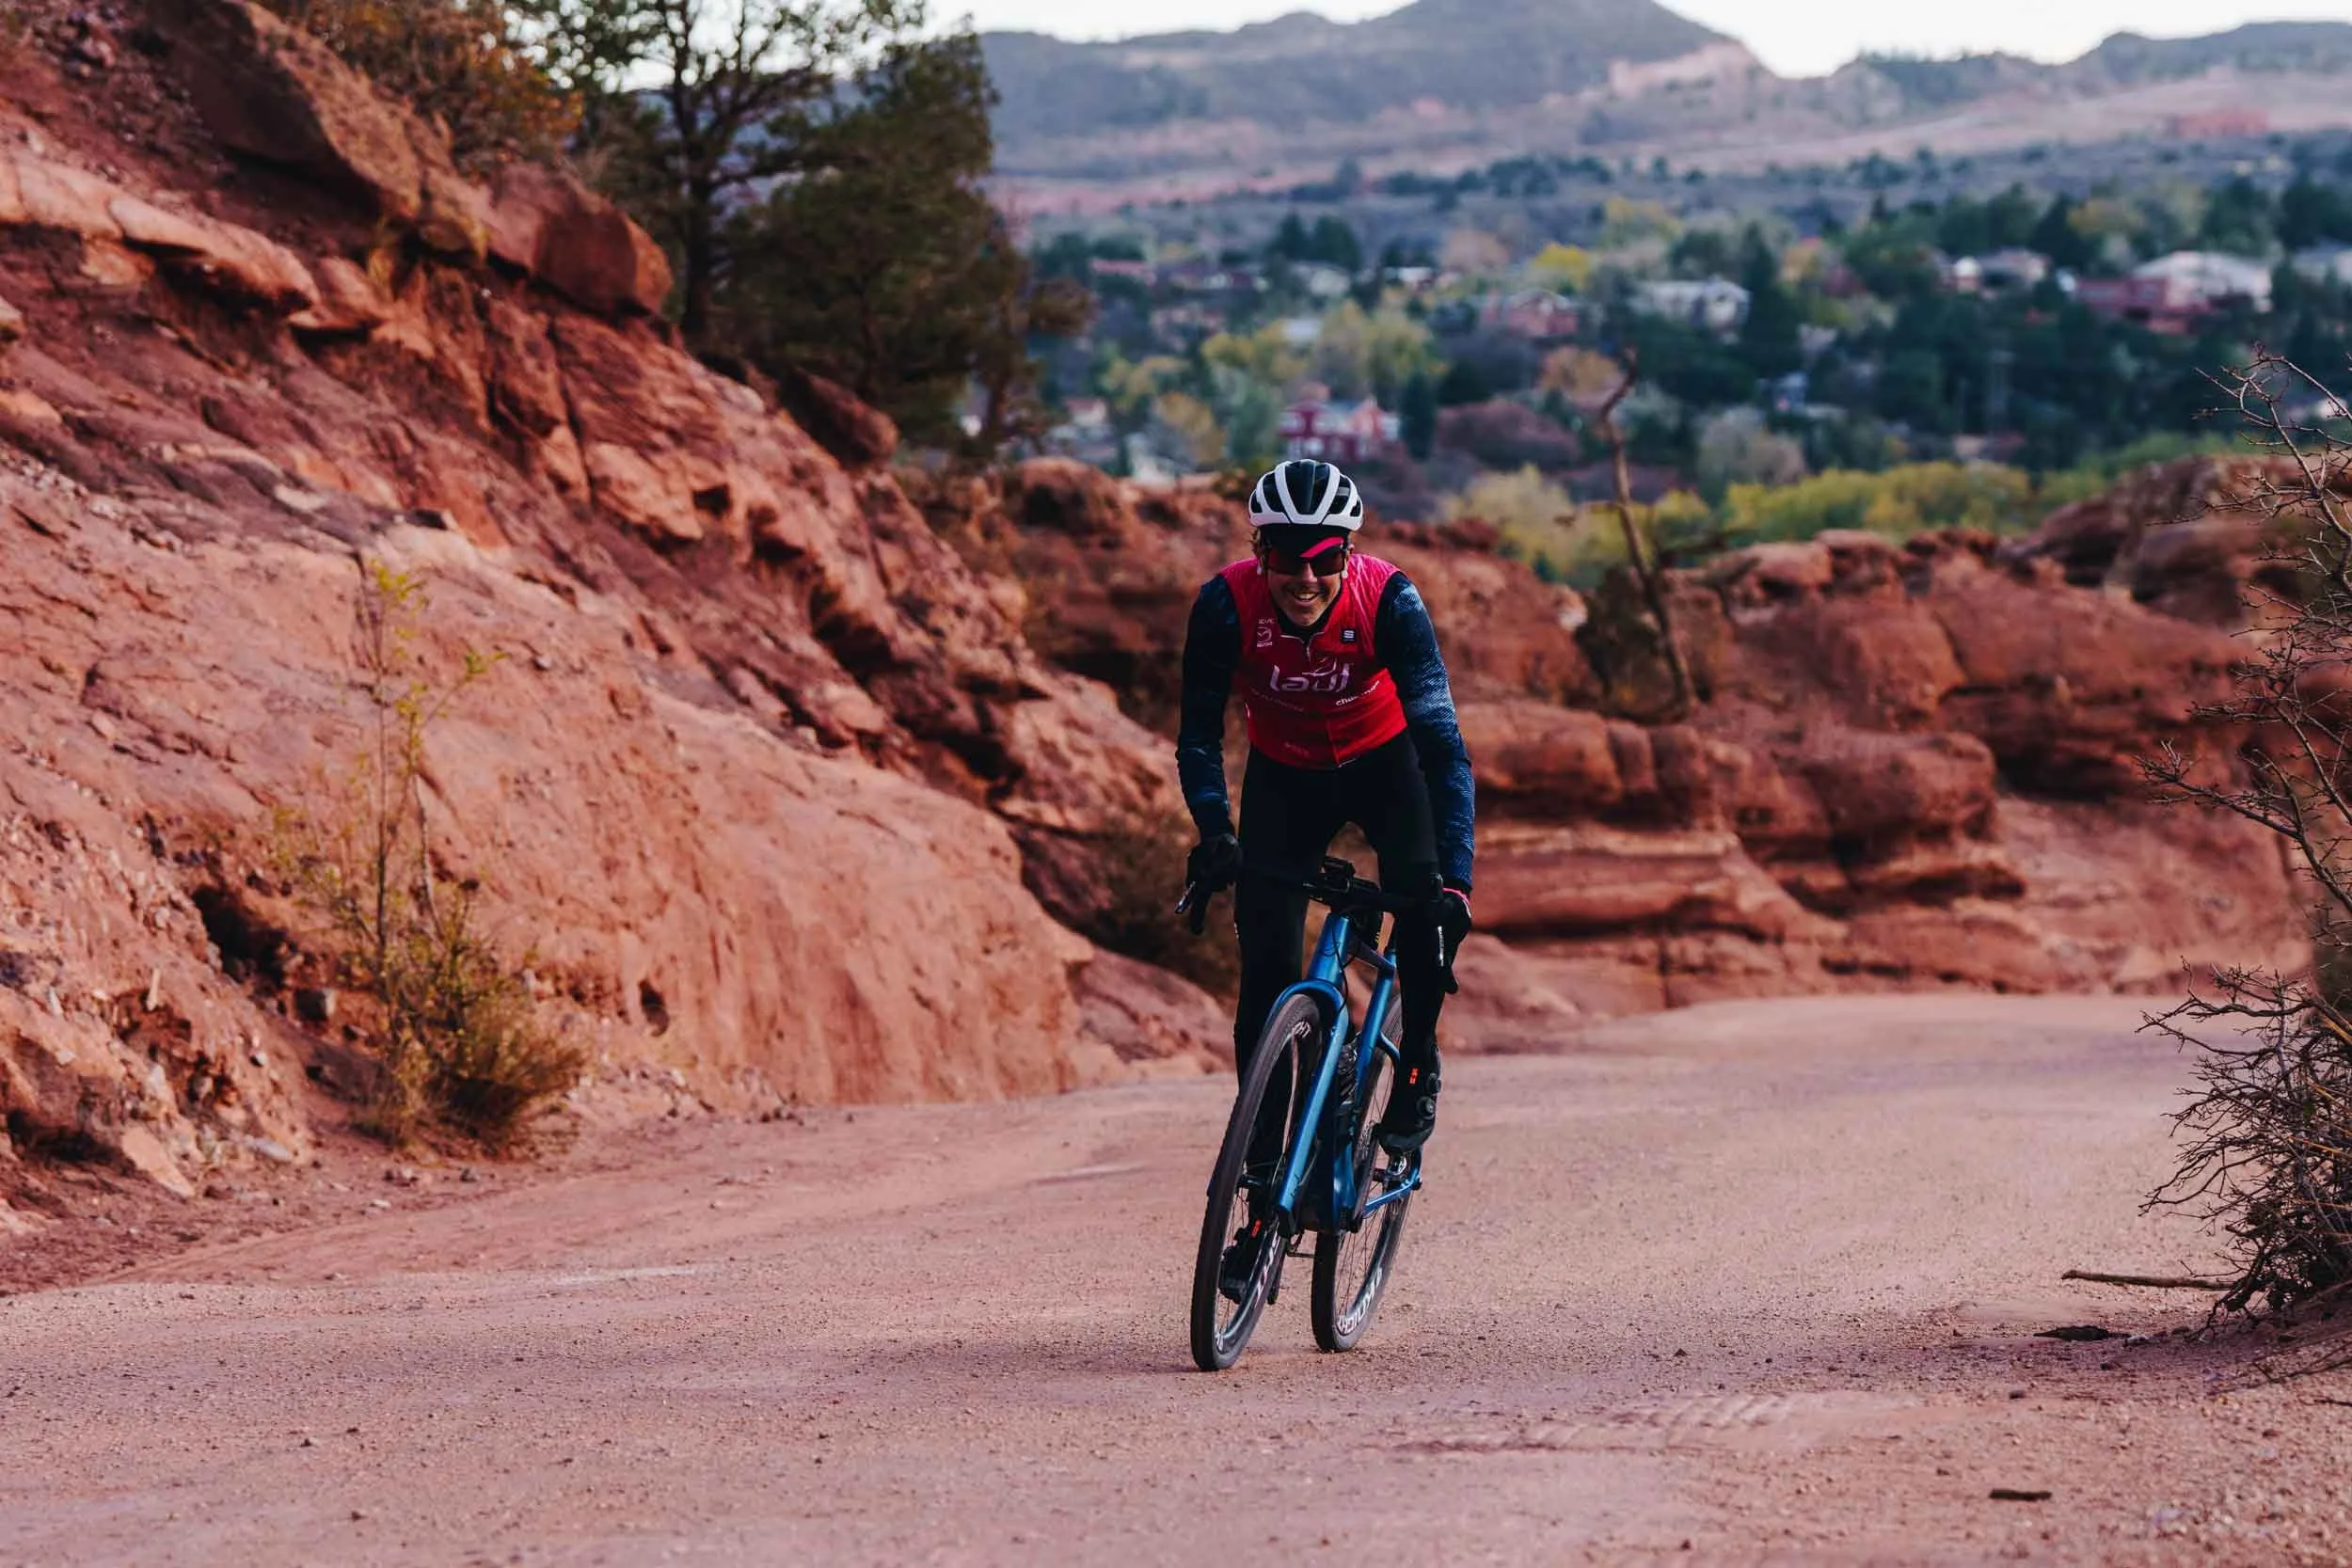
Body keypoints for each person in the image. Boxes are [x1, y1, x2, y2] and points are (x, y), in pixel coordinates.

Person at [1178, 458, 1474, 1291]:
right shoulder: (1225, 607)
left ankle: (1416, 1061)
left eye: (1323, 558)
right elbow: (1199, 739)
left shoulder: (1389, 601)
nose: (1304, 577)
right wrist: (1215, 833)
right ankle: (1265, 1186)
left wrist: (1456, 880)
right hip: (1284, 776)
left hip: (1386, 766)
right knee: (1266, 979)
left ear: (1347, 552)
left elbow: (1444, 747)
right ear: (1258, 549)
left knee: (1423, 911)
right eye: (1284, 556)